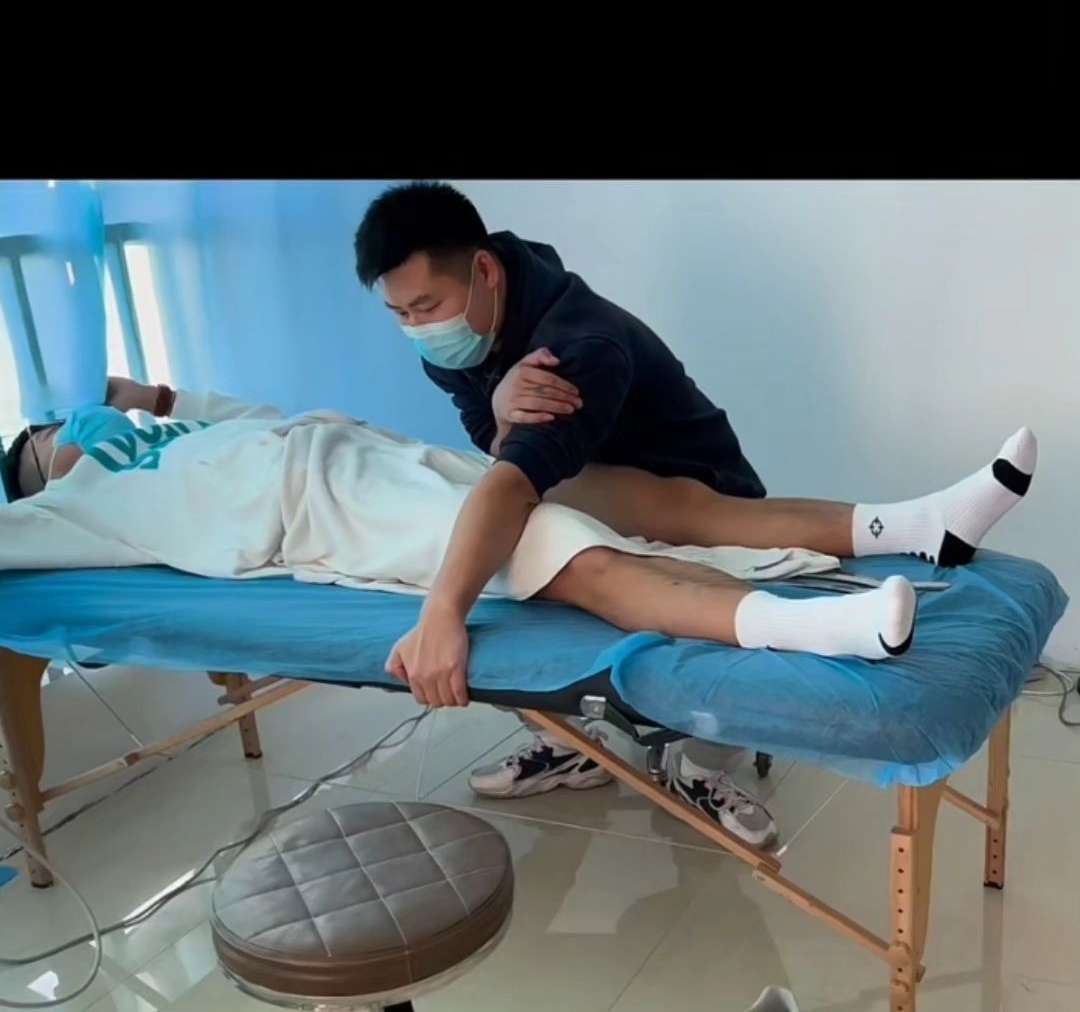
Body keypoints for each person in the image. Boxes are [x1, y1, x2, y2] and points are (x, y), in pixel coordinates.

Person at [1, 377, 1036, 846]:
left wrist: (118, 404)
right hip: (334, 512)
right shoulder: (73, 507)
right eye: (42, 442)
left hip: (371, 455)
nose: (60, 433)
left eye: (54, 424)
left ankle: (920, 527)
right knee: (561, 552)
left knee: (650, 499)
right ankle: (823, 627)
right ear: (35, 475)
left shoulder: (163, 433)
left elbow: (161, 394)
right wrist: (59, 467)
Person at [352, 182, 1036, 841]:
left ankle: (711, 753)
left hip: (692, 489)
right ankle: (579, 745)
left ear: (484, 271)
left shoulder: (576, 347)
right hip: (588, 492)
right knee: (543, 542)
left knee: (631, 519)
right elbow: (495, 443)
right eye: (400, 313)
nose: (418, 328)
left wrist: (442, 613)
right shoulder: (461, 334)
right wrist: (502, 406)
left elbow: (510, 478)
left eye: (426, 306)